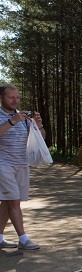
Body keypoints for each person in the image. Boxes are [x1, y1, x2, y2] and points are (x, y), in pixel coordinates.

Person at [0, 84, 44, 250]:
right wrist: (13, 121)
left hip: (22, 164)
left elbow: (41, 138)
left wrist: (38, 126)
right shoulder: (12, 117)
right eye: (11, 97)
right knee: (14, 201)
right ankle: (23, 239)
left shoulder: (22, 117)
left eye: (17, 98)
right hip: (4, 165)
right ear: (2, 98)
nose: (15, 101)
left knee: (7, 201)